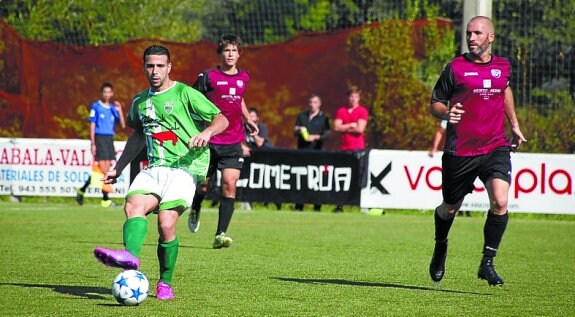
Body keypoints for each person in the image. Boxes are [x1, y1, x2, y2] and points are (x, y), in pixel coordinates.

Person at [92, 45, 229, 300]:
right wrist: (119, 168)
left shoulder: (185, 93)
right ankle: (130, 257)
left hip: (186, 167)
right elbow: (137, 136)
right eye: (150, 66)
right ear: (144, 67)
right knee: (133, 205)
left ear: (169, 67)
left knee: (165, 225)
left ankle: (165, 282)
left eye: (159, 66)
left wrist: (206, 133)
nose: (154, 71)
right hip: (154, 167)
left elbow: (222, 119)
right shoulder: (139, 102)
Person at [428, 16, 527, 286]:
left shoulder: (503, 66)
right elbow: (434, 103)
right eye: (469, 33)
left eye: (477, 33)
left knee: (500, 201)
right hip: (460, 151)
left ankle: (487, 262)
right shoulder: (456, 68)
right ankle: (440, 244)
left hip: (495, 145)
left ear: (490, 37)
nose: (471, 38)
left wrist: (514, 125)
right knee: (450, 208)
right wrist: (448, 112)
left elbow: (504, 90)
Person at [187, 34, 258, 249]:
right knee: (203, 187)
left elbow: (239, 99)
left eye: (234, 51)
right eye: (227, 50)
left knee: (230, 185)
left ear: (239, 54)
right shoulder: (207, 77)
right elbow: (191, 99)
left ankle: (220, 233)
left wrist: (248, 120)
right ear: (220, 53)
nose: (230, 54)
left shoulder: (244, 77)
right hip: (209, 140)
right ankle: (196, 206)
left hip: (234, 140)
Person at [76, 82, 125, 207]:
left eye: (109, 92)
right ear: (101, 93)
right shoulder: (96, 106)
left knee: (106, 171)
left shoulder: (113, 108)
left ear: (112, 94)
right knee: (103, 170)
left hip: (109, 139)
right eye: (105, 92)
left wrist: (120, 111)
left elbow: (123, 125)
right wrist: (93, 143)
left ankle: (82, 190)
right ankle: (105, 199)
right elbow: (92, 125)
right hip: (100, 138)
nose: (107, 95)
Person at [333, 85, 369, 212]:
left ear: (359, 99)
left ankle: (361, 204)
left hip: (357, 149)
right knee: (341, 177)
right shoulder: (341, 111)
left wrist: (345, 126)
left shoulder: (362, 111)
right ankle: (340, 205)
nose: (353, 99)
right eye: (351, 96)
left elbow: (360, 129)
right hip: (343, 148)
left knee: (358, 176)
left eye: (355, 97)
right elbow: (336, 127)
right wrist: (351, 125)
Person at [293, 93, 331, 211]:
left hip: (317, 153)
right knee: (301, 179)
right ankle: (299, 205)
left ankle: (317, 206)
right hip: (302, 152)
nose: (312, 105)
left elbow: (327, 134)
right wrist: (298, 130)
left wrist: (315, 137)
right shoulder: (302, 116)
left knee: (316, 179)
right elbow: (294, 132)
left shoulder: (324, 118)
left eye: (315, 102)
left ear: (319, 104)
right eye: (310, 102)